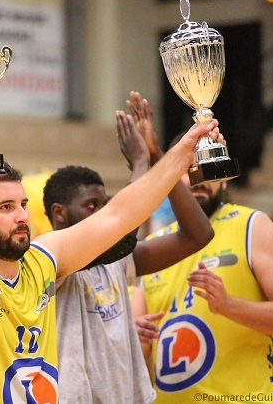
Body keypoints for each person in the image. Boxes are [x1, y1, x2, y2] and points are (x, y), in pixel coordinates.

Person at [0, 105, 222, 403]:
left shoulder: (42, 260)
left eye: (22, 205)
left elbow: (119, 216)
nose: (21, 217)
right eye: (5, 207)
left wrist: (184, 152)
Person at [128, 91, 273, 402]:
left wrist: (228, 305)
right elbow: (138, 349)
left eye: (207, 165)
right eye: (187, 168)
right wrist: (131, 334)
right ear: (170, 175)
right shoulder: (154, 246)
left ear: (223, 178)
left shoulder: (253, 225)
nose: (198, 177)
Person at [45, 109, 214, 404]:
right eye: (91, 205)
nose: (102, 212)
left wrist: (160, 158)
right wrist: (140, 164)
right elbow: (119, 225)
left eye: (105, 204)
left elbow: (197, 234)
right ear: (59, 212)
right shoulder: (49, 258)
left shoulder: (115, 258)